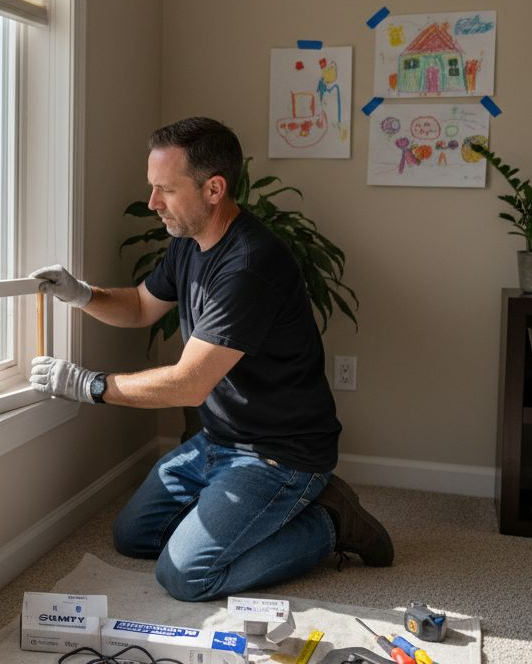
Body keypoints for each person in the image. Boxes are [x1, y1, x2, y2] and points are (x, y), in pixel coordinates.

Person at [27, 116, 392, 603]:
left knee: (185, 577)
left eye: (165, 190)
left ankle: (329, 523)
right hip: (218, 440)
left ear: (214, 189)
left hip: (279, 454)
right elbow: (139, 305)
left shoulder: (250, 264)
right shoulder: (188, 244)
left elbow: (188, 384)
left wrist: (90, 385)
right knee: (133, 537)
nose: (154, 202)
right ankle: (260, 515)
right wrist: (81, 294)